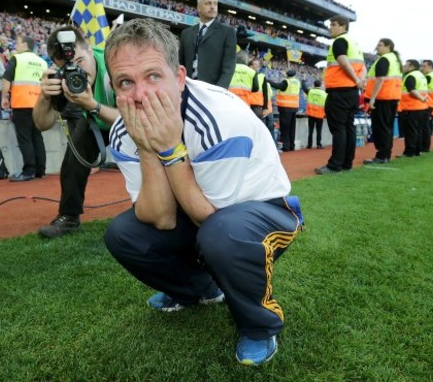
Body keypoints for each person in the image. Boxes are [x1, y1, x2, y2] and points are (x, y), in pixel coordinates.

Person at [104, 18, 304, 366]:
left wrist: (169, 148)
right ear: (113, 88)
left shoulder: (221, 118)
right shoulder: (123, 130)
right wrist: (148, 149)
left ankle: (259, 326)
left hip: (264, 212)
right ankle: (200, 289)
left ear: (179, 77)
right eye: (126, 82)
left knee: (221, 235)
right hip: (202, 214)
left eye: (153, 76)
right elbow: (161, 218)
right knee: (123, 234)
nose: (140, 95)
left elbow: (209, 218)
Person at [33, 26, 119, 238]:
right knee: (73, 159)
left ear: (90, 51)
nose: (77, 71)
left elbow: (134, 118)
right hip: (95, 121)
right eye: (68, 67)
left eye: (80, 62)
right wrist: (45, 97)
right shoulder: (62, 78)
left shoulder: (115, 63)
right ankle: (69, 217)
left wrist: (93, 106)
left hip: (128, 119)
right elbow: (42, 124)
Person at [315, 15, 365, 175]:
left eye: (333, 24)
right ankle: (346, 163)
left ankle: (335, 165)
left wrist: (356, 80)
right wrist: (359, 81)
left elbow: (342, 61)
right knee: (348, 127)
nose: (330, 27)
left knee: (339, 129)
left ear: (343, 26)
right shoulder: (355, 44)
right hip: (352, 92)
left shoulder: (339, 41)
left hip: (339, 91)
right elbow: (364, 67)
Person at [1, 35, 48, 181]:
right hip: (39, 104)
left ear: (24, 45)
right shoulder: (42, 62)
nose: (16, 46)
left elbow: (6, 78)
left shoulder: (17, 58)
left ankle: (28, 171)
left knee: (25, 138)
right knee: (37, 137)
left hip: (22, 103)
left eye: (18, 43)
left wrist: (4, 97)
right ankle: (40, 170)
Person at [178, 0, 236, 89]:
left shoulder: (227, 32)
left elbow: (229, 68)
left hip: (212, 91)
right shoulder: (186, 33)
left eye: (215, 3)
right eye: (208, 3)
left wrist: (218, 90)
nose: (212, 6)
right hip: (188, 89)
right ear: (199, 8)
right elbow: (180, 63)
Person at [362, 38, 403, 164]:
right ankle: (385, 155)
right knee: (387, 128)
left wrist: (372, 98)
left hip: (382, 98)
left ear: (388, 46)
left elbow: (380, 79)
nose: (377, 47)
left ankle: (381, 156)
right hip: (392, 97)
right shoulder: (395, 60)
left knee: (381, 128)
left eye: (380, 45)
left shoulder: (385, 59)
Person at [397, 60, 428, 158]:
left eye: (406, 65)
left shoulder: (411, 76)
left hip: (411, 107)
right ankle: (417, 151)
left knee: (410, 131)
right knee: (417, 130)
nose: (404, 66)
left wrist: (421, 98)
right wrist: (423, 99)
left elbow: (412, 90)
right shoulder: (421, 76)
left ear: (411, 66)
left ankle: (409, 152)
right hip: (421, 108)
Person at [273, 69, 303, 152]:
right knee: (291, 128)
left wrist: (267, 80)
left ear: (287, 75)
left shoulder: (286, 82)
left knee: (285, 128)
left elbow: (277, 86)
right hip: (294, 107)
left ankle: (286, 146)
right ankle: (291, 145)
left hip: (285, 107)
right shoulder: (297, 82)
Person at [228, 50, 261, 117]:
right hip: (245, 104)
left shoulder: (229, 69)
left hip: (230, 102)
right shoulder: (252, 72)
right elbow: (256, 88)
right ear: (246, 60)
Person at [420, 59, 433, 152]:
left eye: (424, 66)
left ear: (430, 66)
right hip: (429, 103)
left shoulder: (429, 76)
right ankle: (425, 146)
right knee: (425, 126)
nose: (422, 68)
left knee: (424, 126)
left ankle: (424, 147)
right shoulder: (432, 75)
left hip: (427, 103)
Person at [304, 80, 327, 149]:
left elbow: (304, 88)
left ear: (314, 84)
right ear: (320, 85)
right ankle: (318, 144)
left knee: (310, 130)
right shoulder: (324, 93)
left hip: (311, 114)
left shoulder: (310, 91)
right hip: (320, 115)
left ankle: (309, 145)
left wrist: (303, 81)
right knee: (319, 130)